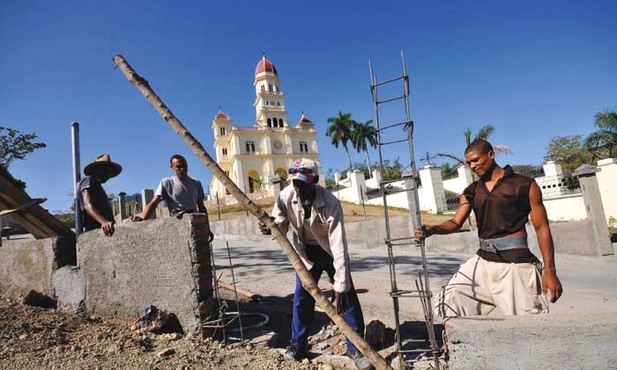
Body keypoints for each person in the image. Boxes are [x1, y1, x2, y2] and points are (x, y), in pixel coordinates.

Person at [415, 139, 563, 318]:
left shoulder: (525, 185)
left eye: (476, 160)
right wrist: (432, 229)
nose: (472, 166)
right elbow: (456, 222)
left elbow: (542, 228)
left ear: (491, 155)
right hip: (483, 261)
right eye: (469, 163)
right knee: (446, 304)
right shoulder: (471, 191)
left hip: (515, 264)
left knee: (528, 324)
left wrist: (550, 271)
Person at [259, 158, 372, 370]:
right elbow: (280, 224)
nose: (299, 188)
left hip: (329, 250)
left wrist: (339, 285)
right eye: (296, 184)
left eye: (303, 184)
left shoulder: (330, 202)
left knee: (346, 297)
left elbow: (338, 245)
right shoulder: (285, 197)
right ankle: (298, 346)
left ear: (315, 181)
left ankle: (356, 347)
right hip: (305, 252)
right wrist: (270, 228)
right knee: (302, 298)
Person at [131, 154, 213, 242]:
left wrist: (207, 227)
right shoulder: (167, 182)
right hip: (178, 224)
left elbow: (201, 207)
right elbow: (154, 202)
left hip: (195, 223)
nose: (182, 169)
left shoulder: (196, 183)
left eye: (184, 165)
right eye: (178, 166)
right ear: (172, 167)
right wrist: (143, 217)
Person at [77, 154, 122, 237]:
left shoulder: (98, 187)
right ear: (97, 169)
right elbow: (87, 204)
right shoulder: (88, 181)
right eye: (105, 170)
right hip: (94, 230)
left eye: (110, 172)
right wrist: (103, 222)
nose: (108, 175)